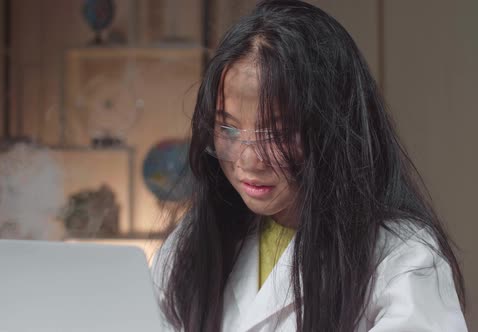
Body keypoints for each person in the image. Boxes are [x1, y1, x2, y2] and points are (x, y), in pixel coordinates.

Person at [151, 0, 467, 331]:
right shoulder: (191, 246)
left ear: (334, 129)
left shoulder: (400, 259)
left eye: (277, 132)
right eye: (228, 128)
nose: (248, 160)